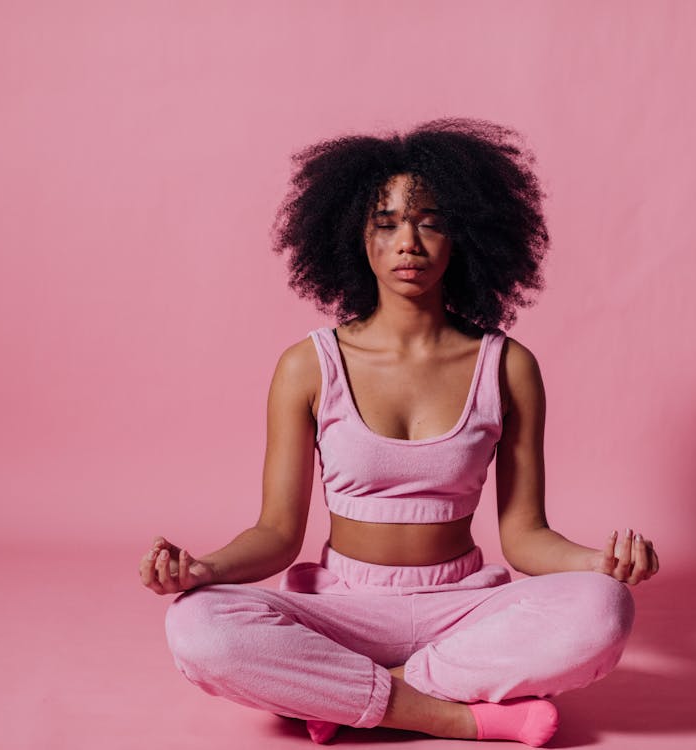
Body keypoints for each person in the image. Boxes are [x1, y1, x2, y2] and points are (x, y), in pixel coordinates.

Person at [138, 118, 659, 747]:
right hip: (338, 610)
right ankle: (455, 716)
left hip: (462, 608)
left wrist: (598, 563)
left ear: (462, 234)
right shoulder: (307, 365)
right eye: (385, 224)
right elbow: (277, 534)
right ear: (354, 237)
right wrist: (202, 569)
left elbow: (525, 537)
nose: (407, 242)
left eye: (430, 221)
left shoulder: (508, 366)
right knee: (197, 626)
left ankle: (348, 695)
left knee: (604, 608)